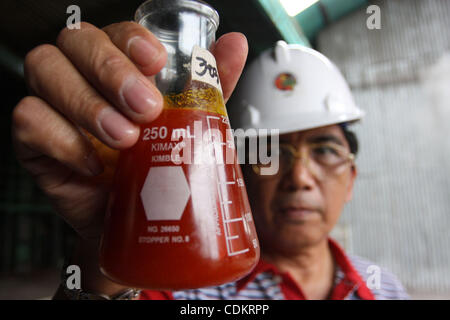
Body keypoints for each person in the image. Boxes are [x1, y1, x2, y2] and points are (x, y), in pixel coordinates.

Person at [11, 19, 407, 299]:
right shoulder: (183, 283)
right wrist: (107, 245)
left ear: (352, 177)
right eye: (269, 151)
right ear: (235, 172)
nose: (299, 177)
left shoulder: (384, 289)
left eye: (325, 149)